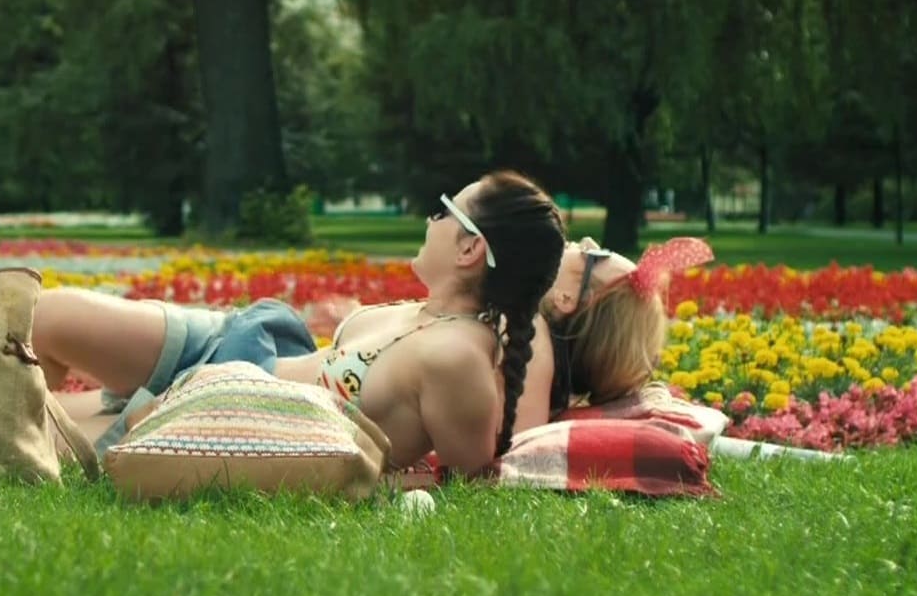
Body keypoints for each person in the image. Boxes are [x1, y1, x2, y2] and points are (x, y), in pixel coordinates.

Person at [35, 171, 565, 474]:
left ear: (471, 249)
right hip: (242, 345)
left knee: (26, 422)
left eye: (445, 209)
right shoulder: (434, 319)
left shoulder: (457, 358)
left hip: (222, 414)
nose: (431, 219)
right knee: (43, 315)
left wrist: (389, 484)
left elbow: (472, 475)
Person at [515, 235, 715, 431]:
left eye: (593, 255)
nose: (587, 240)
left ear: (566, 298)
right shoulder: (551, 378)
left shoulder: (532, 339)